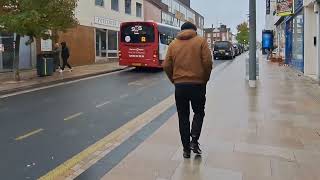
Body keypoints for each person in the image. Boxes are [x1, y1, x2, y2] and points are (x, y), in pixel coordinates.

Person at [163, 22, 213, 159]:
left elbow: (166, 64)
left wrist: (174, 80)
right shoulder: (200, 41)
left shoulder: (173, 44)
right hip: (198, 85)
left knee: (183, 116)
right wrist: (205, 79)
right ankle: (194, 140)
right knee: (199, 112)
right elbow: (208, 62)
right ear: (194, 30)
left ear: (181, 30)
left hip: (180, 86)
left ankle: (186, 150)